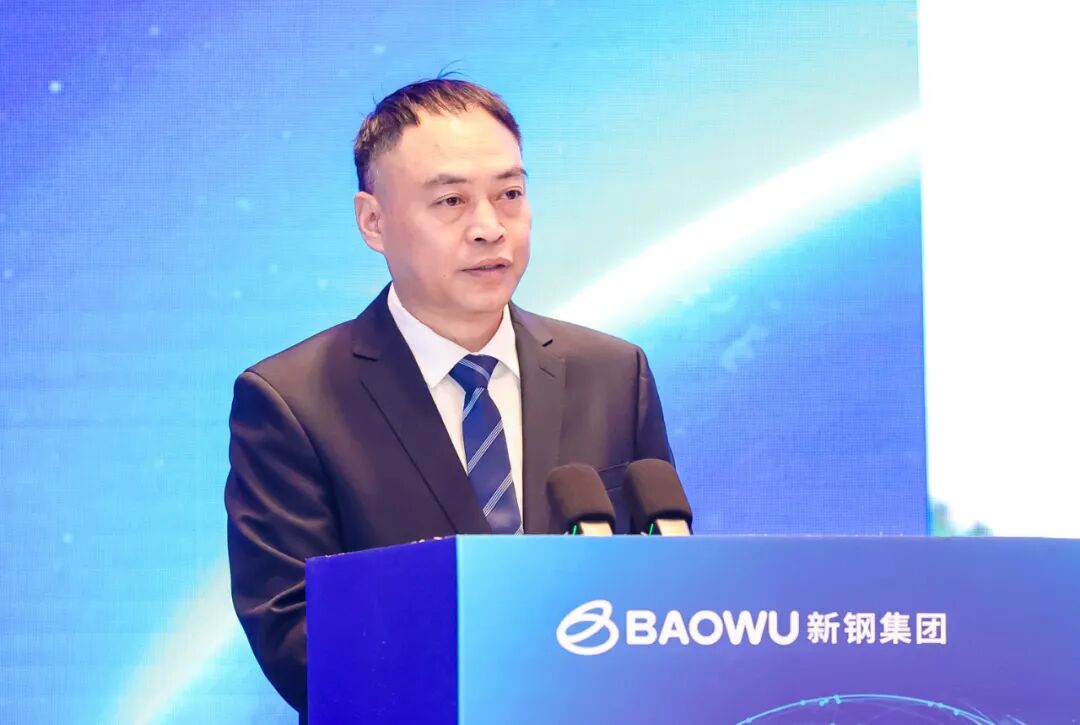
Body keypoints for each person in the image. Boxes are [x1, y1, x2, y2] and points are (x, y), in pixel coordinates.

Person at [224, 78, 674, 717]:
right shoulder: (293, 401)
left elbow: (662, 594)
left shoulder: (613, 373)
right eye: (452, 201)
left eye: (510, 194)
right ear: (373, 221)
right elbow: (297, 638)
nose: (489, 228)